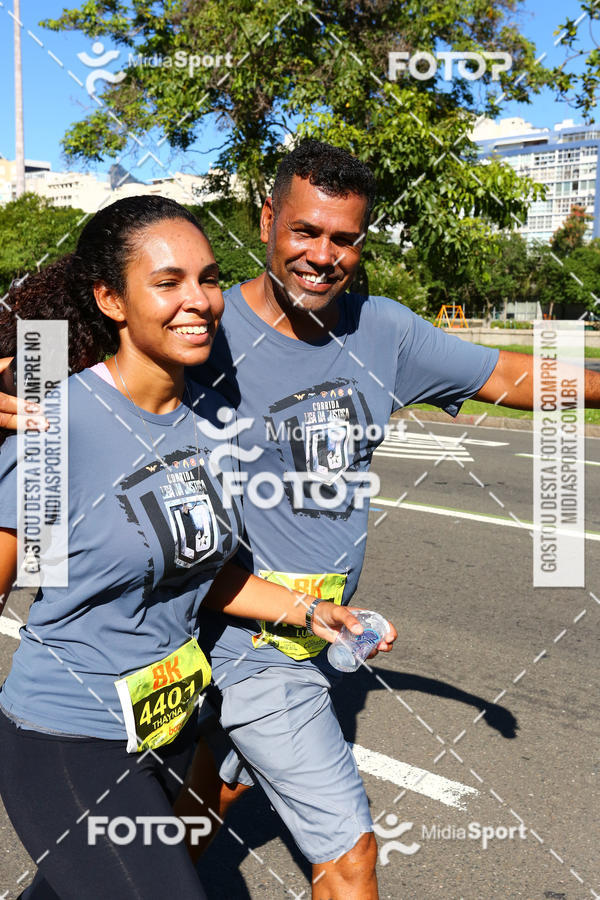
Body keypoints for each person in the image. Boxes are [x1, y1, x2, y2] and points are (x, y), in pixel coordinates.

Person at [3, 141, 600, 900]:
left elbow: (509, 373)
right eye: (305, 232)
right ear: (266, 222)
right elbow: (60, 352)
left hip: (232, 634)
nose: (323, 255)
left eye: (344, 238)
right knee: (348, 859)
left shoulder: (378, 335)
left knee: (190, 811)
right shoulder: (192, 337)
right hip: (230, 650)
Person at [0, 194, 391, 900]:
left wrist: (309, 613)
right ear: (110, 300)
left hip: (173, 725)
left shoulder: (211, 428)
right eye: (168, 282)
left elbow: (202, 575)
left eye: (208, 279)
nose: (200, 301)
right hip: (68, 737)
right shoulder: (59, 425)